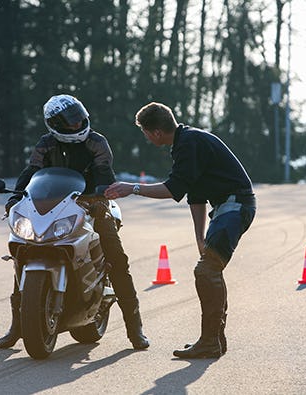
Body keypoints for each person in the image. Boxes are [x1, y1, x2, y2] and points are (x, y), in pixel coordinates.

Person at [0, 94, 149, 350]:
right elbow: (32, 171)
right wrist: (15, 197)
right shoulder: (45, 144)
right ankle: (17, 326)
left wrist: (100, 199)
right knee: (25, 253)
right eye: (71, 122)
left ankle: (135, 329)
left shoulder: (97, 142)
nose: (77, 125)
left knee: (118, 261)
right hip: (54, 207)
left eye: (79, 119)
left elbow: (104, 173)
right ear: (54, 125)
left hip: (93, 204)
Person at [104, 102, 256, 359]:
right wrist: (199, 238)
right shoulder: (185, 142)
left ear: (154, 132)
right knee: (210, 267)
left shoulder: (189, 143)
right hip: (226, 207)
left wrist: (134, 187)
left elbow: (173, 189)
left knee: (207, 270)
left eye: (144, 132)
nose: (146, 137)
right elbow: (195, 195)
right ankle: (215, 340)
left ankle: (210, 342)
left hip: (235, 205)